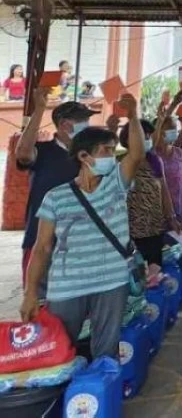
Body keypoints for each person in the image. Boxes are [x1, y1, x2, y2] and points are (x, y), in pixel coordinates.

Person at [21, 95, 145, 360]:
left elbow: (136, 154)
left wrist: (133, 116)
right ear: (83, 156)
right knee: (58, 351)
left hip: (112, 281)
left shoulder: (117, 185)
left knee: (106, 351)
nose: (112, 157)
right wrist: (31, 292)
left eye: (113, 150)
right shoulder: (56, 197)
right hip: (67, 286)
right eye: (106, 151)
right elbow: (42, 248)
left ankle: (100, 397)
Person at [14, 86, 83, 285]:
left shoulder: (86, 156)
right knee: (39, 302)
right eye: (81, 121)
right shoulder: (43, 151)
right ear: (63, 125)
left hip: (76, 242)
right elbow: (24, 153)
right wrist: (39, 110)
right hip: (40, 240)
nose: (86, 125)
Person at [120, 119, 173, 267]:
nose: (148, 140)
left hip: (155, 226)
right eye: (145, 136)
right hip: (131, 230)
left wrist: (171, 216)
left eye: (149, 136)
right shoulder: (121, 163)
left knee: (156, 270)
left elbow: (164, 190)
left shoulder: (154, 161)